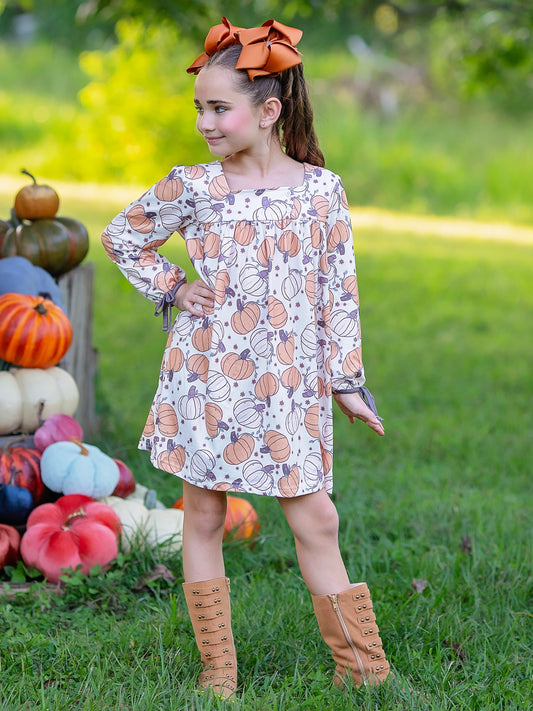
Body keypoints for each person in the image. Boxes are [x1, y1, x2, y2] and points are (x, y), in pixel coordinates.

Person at [102, 16, 390, 700]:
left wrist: (346, 381)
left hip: (289, 382)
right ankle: (218, 671)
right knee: (202, 514)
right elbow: (122, 237)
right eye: (199, 106)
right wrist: (174, 285)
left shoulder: (320, 191)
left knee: (316, 515)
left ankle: (363, 669)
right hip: (209, 377)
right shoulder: (194, 186)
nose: (204, 121)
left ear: (267, 111)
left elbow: (337, 288)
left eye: (218, 108)